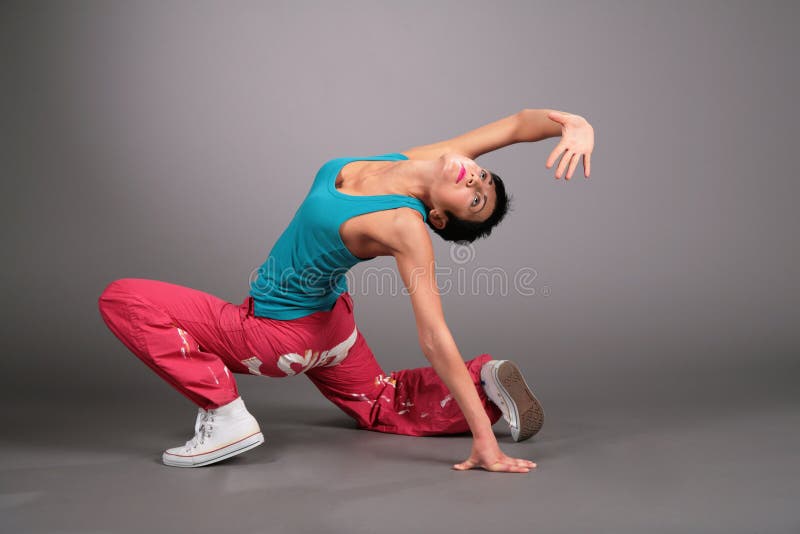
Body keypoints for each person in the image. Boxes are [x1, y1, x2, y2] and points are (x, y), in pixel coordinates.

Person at [98, 109, 595, 473]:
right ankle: (485, 385)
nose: (475, 178)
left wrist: (485, 446)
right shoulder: (412, 162)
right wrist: (577, 126)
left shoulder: (407, 225)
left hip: (275, 337)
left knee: (124, 298)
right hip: (332, 333)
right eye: (482, 178)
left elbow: (433, 334)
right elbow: (516, 125)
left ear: (441, 218)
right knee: (382, 403)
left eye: (475, 199)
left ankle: (224, 414)